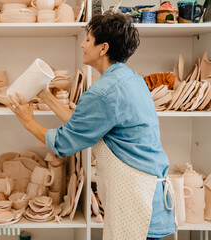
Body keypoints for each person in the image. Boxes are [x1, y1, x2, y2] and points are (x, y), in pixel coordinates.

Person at [9, 12, 176, 240]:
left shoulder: (104, 91)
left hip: (138, 202)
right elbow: (83, 126)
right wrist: (46, 96)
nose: (82, 44)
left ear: (103, 48)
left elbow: (64, 143)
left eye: (88, 39)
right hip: (149, 196)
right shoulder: (131, 79)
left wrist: (27, 121)